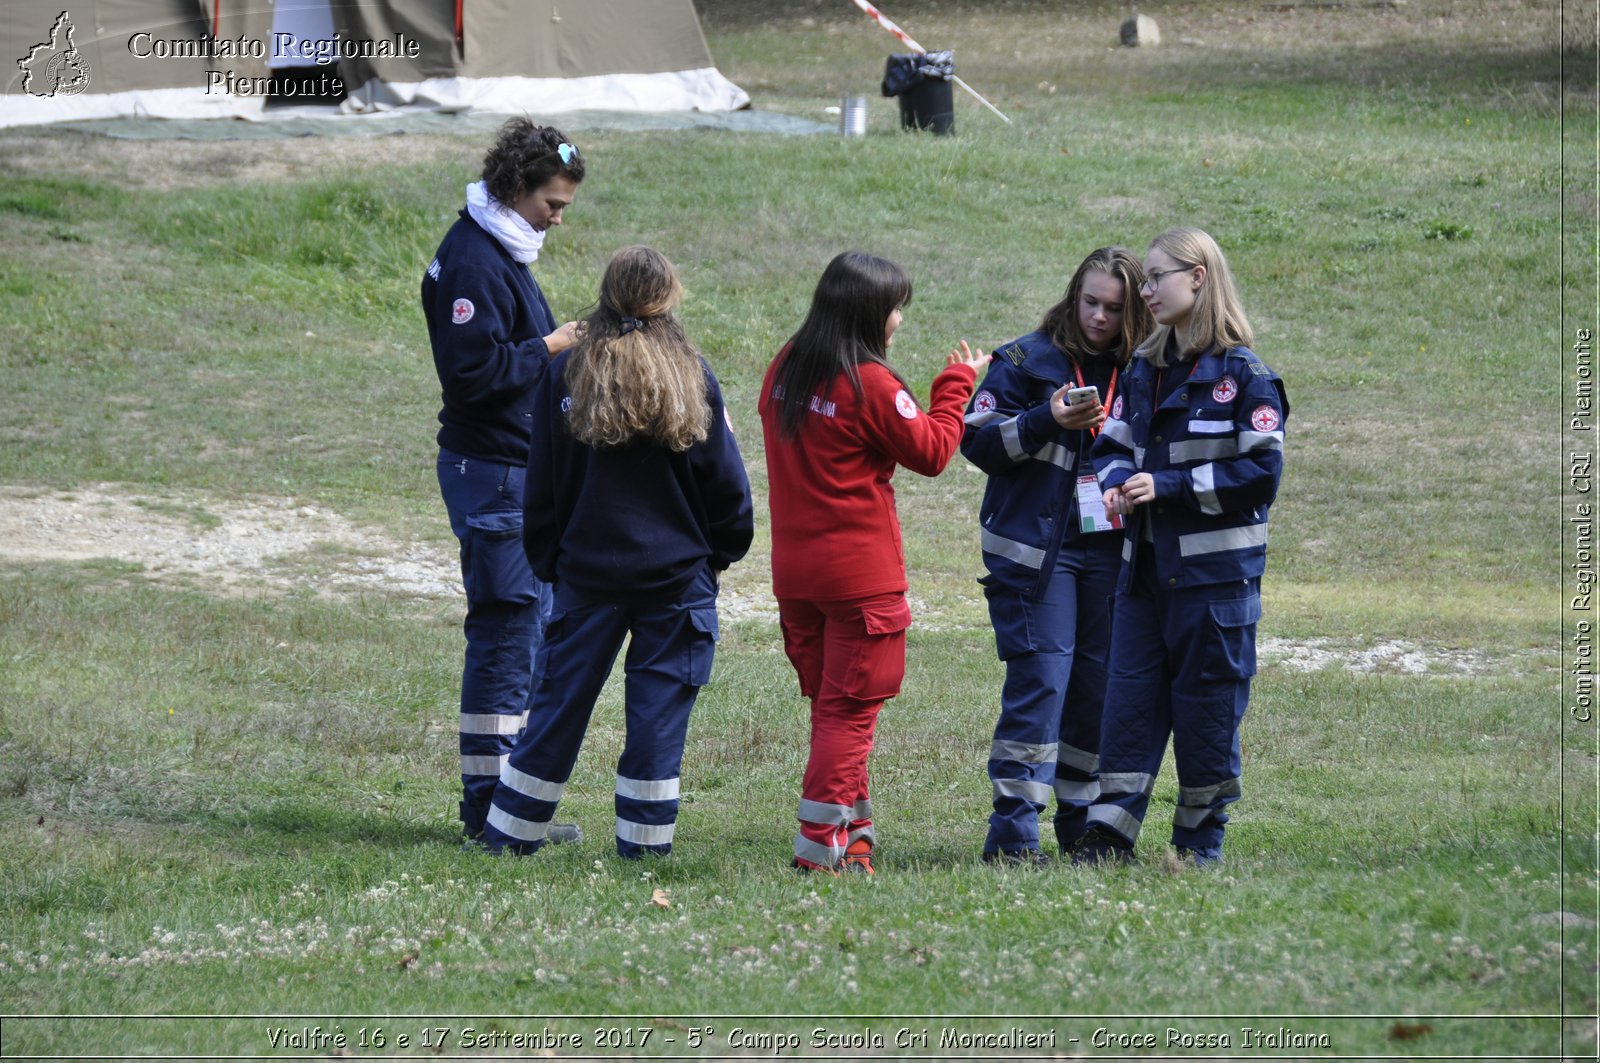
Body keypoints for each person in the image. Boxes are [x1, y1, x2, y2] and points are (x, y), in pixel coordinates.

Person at [479, 245, 754, 858]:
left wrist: (552, 559)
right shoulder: (693, 374)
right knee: (657, 719)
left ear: (605, 295)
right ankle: (644, 851)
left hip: (585, 576)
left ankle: (508, 837)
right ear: (669, 300)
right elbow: (728, 486)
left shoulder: (565, 373)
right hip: (678, 582)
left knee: (555, 709)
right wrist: (719, 556)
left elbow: (541, 481)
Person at [760, 251, 989, 875]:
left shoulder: (788, 366)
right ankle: (818, 852)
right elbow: (936, 451)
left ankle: (853, 834)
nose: (898, 322)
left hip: (797, 573)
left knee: (833, 707)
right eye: (895, 310)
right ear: (869, 314)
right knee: (848, 712)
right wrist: (956, 385)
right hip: (860, 579)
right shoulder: (872, 385)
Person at [1075, 227, 1288, 867]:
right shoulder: (1144, 366)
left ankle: (1198, 845)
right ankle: (1109, 837)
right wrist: (1115, 487)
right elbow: (1110, 447)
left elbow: (1261, 477)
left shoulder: (1246, 376)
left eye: (1156, 277)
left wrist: (1164, 487)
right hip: (1143, 576)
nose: (1145, 290)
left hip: (1215, 584)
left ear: (1198, 278)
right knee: (1128, 707)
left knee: (1207, 712)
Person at [421, 119, 586, 842]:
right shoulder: (473, 263)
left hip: (514, 473)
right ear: (516, 187)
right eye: (552, 202)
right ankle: (489, 810)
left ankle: (509, 803)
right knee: (507, 632)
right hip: (491, 475)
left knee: (527, 631)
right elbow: (473, 373)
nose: (557, 216)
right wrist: (549, 346)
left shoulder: (501, 250)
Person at [960, 247, 1153, 866]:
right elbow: (977, 440)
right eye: (1090, 302)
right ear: (1073, 297)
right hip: (1037, 555)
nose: (1099, 317)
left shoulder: (1147, 369)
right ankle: (1013, 835)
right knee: (1042, 684)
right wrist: (1045, 418)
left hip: (1111, 549)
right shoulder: (1024, 358)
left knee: (1095, 692)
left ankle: (1082, 829)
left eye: (1114, 308)